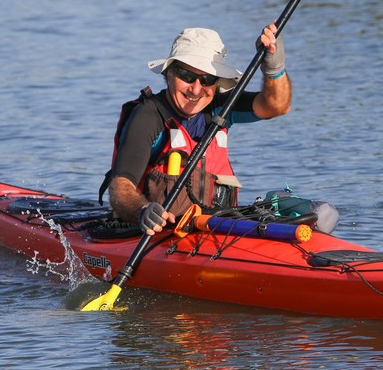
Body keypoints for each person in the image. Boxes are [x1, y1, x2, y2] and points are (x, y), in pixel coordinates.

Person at [105, 24, 292, 236]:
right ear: (169, 74)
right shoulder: (148, 117)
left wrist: (274, 68)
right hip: (155, 233)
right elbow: (121, 186)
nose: (195, 89)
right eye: (186, 76)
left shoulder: (221, 108)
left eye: (207, 79)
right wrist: (142, 210)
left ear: (216, 83)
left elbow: (276, 105)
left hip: (215, 230)